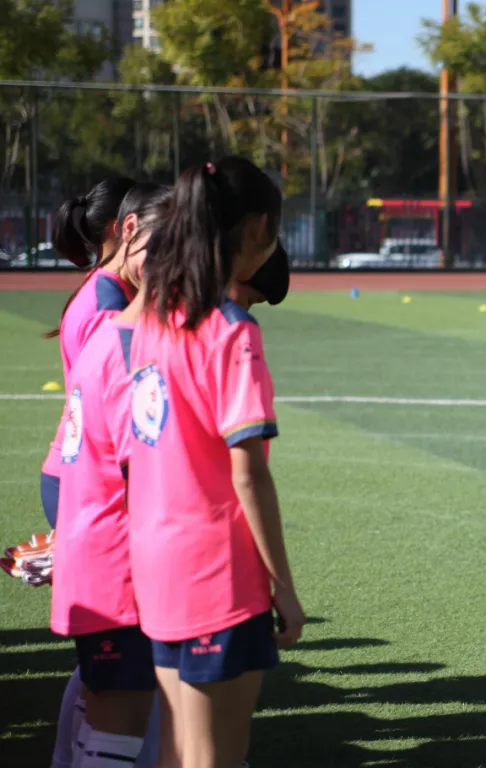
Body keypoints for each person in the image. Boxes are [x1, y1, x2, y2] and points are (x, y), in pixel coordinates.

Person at [127, 157, 304, 767]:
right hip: (215, 575)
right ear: (258, 228)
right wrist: (283, 584)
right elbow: (247, 471)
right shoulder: (231, 332)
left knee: (179, 751)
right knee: (215, 757)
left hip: (156, 564)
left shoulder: (154, 316)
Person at [50, 183, 171, 768]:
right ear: (126, 231)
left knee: (104, 683)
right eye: (165, 246)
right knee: (122, 693)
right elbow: (133, 445)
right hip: (105, 507)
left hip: (87, 491)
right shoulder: (114, 318)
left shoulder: (109, 302)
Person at [40, 177, 137, 531]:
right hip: (89, 481)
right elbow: (110, 408)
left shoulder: (103, 289)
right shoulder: (106, 305)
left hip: (82, 474)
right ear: (123, 227)